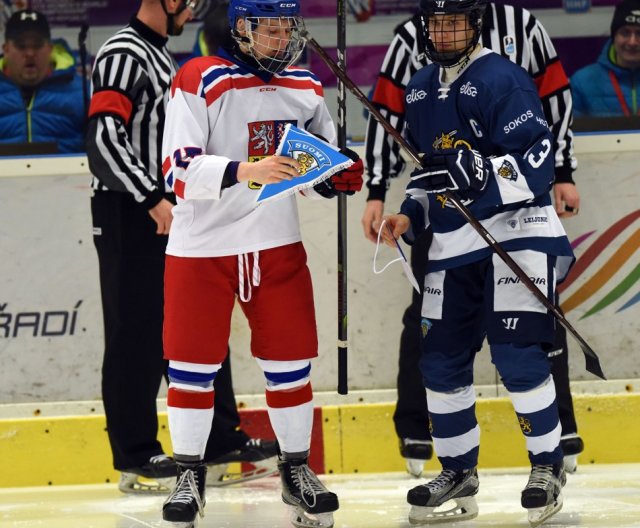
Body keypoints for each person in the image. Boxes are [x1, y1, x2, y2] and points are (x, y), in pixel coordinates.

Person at [159, 0, 364, 526]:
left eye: (285, 28)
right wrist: (249, 170)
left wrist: (332, 177)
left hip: (275, 244)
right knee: (191, 370)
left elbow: (315, 163)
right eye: (268, 29)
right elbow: (176, 172)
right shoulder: (200, 77)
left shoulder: (305, 87)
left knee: (291, 364)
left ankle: (296, 470)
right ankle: (189, 472)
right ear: (241, 30)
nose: (279, 38)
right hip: (201, 249)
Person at [362, 0, 584, 478]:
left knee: (519, 357)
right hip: (453, 244)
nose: (443, 35)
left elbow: (536, 166)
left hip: (517, 236)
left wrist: (481, 175)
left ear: (475, 24)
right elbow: (428, 176)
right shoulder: (419, 88)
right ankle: (458, 473)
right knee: (439, 362)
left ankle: (547, 466)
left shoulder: (504, 79)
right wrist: (408, 216)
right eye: (435, 25)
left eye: (454, 24)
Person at [85, 0, 276, 496]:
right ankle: (135, 453)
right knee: (136, 332)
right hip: (133, 211)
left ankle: (216, 440)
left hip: (168, 209)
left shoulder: (161, 56)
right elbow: (103, 139)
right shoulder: (124, 52)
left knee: (195, 322)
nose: (191, 10)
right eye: (185, 1)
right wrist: (151, 197)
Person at [0, 9, 87, 153]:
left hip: (69, 175)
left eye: (37, 45)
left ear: (50, 48)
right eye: (21, 46)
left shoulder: (82, 92)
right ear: (6, 49)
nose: (30, 53)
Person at [571, 0, 640, 117]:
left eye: (639, 33)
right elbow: (570, 132)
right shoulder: (582, 81)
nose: (632, 42)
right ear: (614, 37)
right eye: (625, 33)